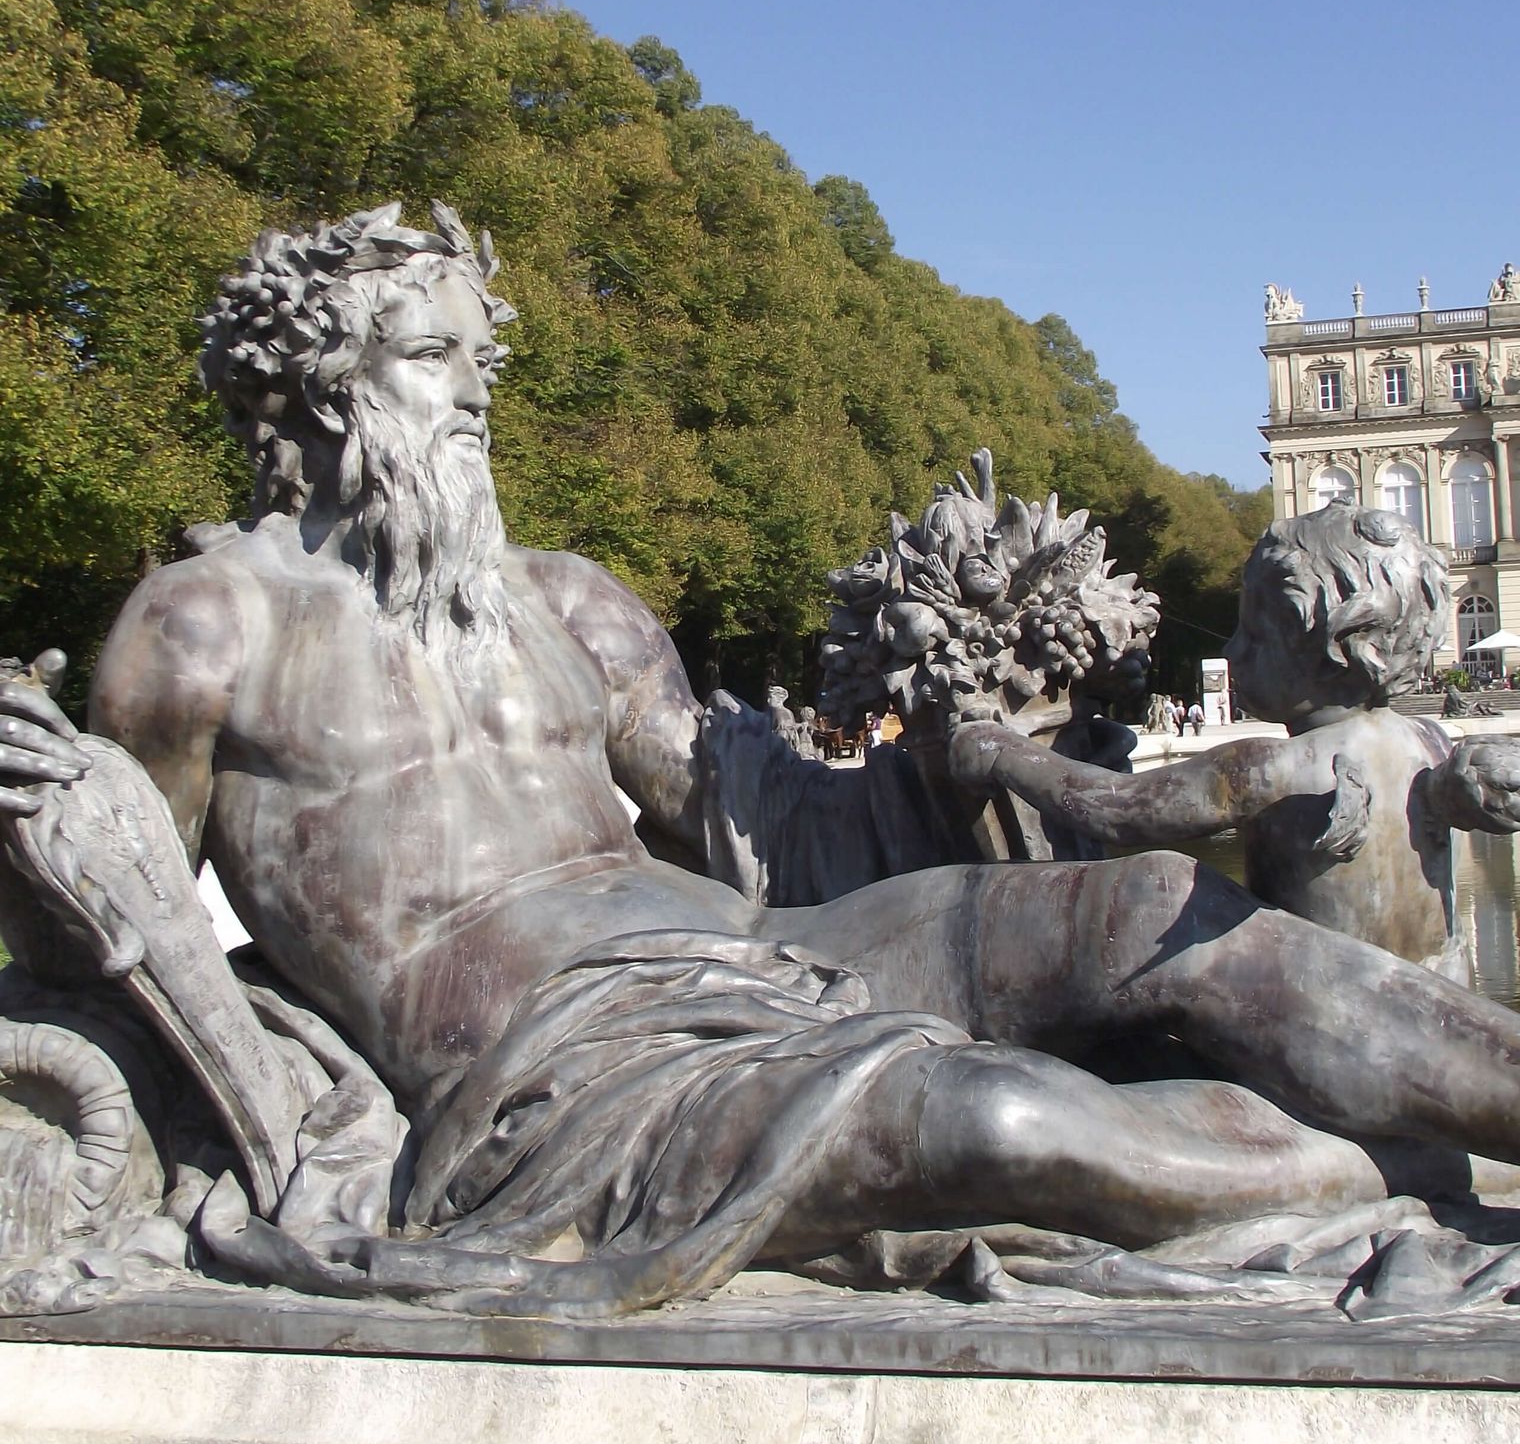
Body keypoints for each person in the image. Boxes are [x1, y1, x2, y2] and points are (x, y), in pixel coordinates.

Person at [9, 204, 1520, 1306]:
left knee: (1147, 916)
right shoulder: (206, 630)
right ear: (327, 379)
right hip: (560, 1077)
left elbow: (757, 816)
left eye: (484, 359)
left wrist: (953, 752)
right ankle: (1373, 1186)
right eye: (436, 354)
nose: (477, 392)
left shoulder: (566, 600)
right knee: (988, 1116)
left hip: (759, 941)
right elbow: (117, 920)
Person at [949, 503, 1520, 979]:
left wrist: (1000, 749)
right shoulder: (1429, 740)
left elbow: (1117, 812)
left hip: (1325, 1026)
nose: (1231, 648)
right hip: (1440, 1003)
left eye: (1253, 629)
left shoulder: (1277, 768)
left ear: (1334, 644)